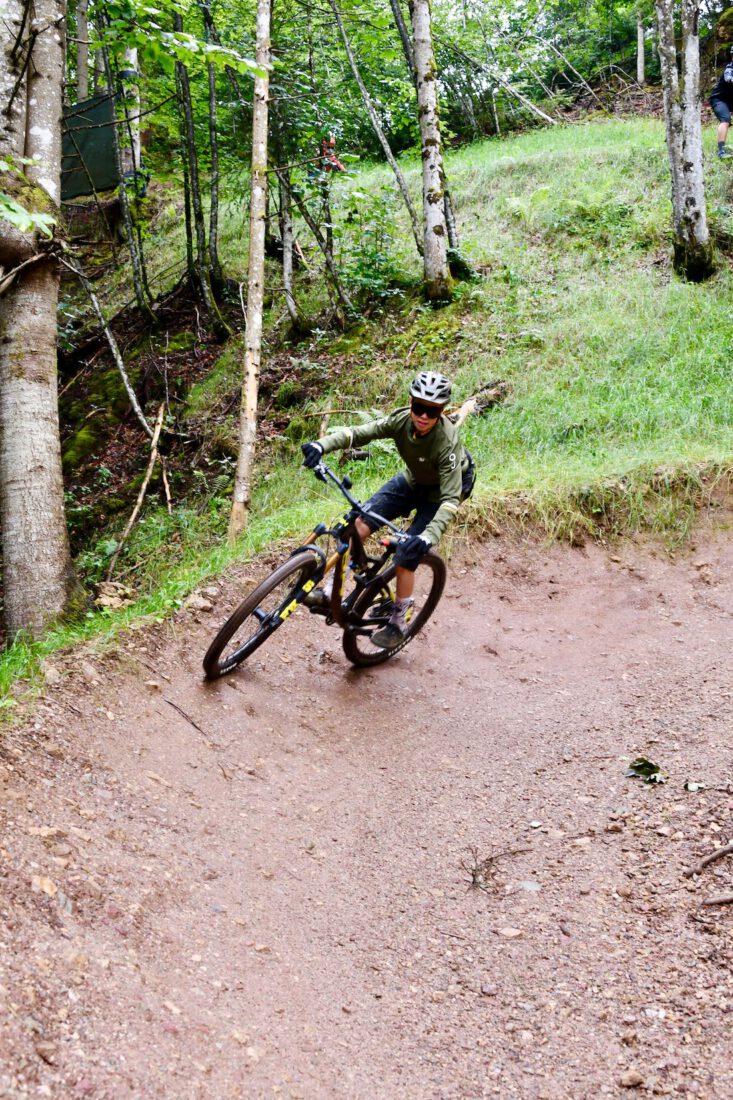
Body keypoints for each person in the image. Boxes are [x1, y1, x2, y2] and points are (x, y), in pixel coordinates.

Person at [301, 371, 476, 649]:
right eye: (419, 407)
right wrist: (321, 445)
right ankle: (331, 589)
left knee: (407, 553)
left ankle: (399, 618)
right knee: (357, 523)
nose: (424, 416)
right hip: (414, 480)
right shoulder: (400, 420)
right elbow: (359, 433)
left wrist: (427, 538)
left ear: (441, 412)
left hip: (442, 493)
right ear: (410, 403)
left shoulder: (447, 442)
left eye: (432, 411)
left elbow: (451, 499)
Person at [710, 47, 733, 160]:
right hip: (719, 99)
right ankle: (721, 151)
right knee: (726, 120)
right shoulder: (729, 69)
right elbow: (729, 78)